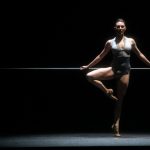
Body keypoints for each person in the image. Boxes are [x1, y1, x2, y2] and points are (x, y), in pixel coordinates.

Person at [80, 18, 150, 137]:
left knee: (119, 101)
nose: (120, 28)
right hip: (113, 70)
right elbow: (100, 56)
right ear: (115, 28)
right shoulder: (110, 42)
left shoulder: (131, 41)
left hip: (124, 73)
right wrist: (88, 66)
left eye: (122, 26)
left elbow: (140, 54)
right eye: (118, 26)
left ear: (125, 28)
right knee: (89, 75)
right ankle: (106, 91)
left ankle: (116, 124)